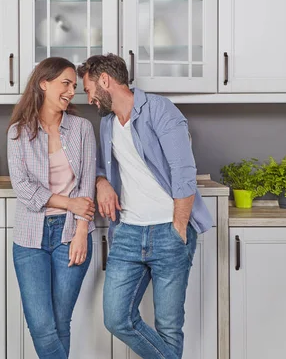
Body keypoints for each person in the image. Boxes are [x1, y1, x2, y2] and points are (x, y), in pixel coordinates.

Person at [77, 54, 212, 359]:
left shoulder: (160, 110)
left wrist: (178, 228)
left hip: (169, 232)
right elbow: (104, 167)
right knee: (116, 318)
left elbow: (183, 173)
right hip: (127, 234)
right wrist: (101, 183)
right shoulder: (108, 124)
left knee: (168, 326)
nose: (89, 99)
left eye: (88, 90)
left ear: (105, 81)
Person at [7, 57, 97, 359]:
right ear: (44, 83)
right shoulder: (19, 132)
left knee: (60, 323)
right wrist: (67, 201)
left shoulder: (82, 128)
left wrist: (82, 232)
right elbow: (23, 189)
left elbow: (86, 183)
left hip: (71, 232)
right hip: (30, 237)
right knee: (42, 326)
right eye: (66, 84)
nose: (72, 91)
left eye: (74, 86)